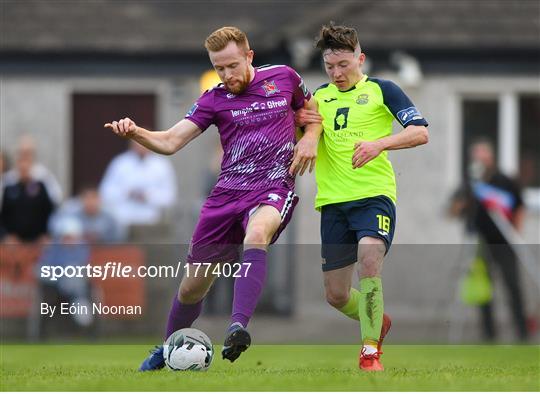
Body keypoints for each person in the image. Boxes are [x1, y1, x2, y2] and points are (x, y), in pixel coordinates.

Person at [104, 26, 320, 370]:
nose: (226, 74)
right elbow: (171, 141)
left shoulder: (284, 77)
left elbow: (312, 112)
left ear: (249, 56)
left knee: (257, 235)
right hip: (226, 196)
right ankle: (167, 348)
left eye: (232, 65)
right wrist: (137, 132)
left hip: (273, 186)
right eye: (219, 68)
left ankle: (237, 327)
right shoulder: (214, 99)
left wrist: (310, 138)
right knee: (192, 288)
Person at [296, 23, 429, 371]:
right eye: (330, 67)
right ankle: (376, 320)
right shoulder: (318, 99)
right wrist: (305, 135)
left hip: (374, 196)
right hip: (333, 203)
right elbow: (301, 131)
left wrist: (379, 144)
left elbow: (420, 133)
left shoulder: (383, 90)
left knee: (369, 257)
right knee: (336, 295)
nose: (337, 73)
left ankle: (370, 352)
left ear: (360, 59)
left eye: (344, 65)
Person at [449, 138, 528, 341]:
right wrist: (466, 199)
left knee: (512, 285)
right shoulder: (470, 183)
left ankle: (522, 332)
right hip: (478, 242)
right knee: (484, 288)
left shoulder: (504, 180)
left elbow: (518, 206)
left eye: (484, 156)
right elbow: (454, 210)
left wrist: (516, 233)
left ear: (491, 158)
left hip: (502, 241)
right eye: (477, 157)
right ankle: (489, 334)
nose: (481, 160)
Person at [99, 140, 177, 230]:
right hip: (123, 222)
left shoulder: (161, 165)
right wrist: (127, 193)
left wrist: (148, 196)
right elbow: (105, 192)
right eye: (138, 144)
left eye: (144, 144)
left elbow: (170, 196)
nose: (141, 147)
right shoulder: (120, 163)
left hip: (152, 222)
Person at [0, 138, 58, 242]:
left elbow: (50, 208)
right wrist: (5, 235)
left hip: (38, 239)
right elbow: (3, 213)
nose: (24, 166)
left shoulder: (42, 181)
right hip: (13, 240)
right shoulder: (9, 185)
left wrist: (47, 234)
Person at [49, 186, 124, 243]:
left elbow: (119, 237)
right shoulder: (71, 215)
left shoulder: (110, 218)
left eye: (94, 198)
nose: (91, 202)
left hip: (105, 254)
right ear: (81, 200)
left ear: (99, 199)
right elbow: (55, 229)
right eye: (87, 198)